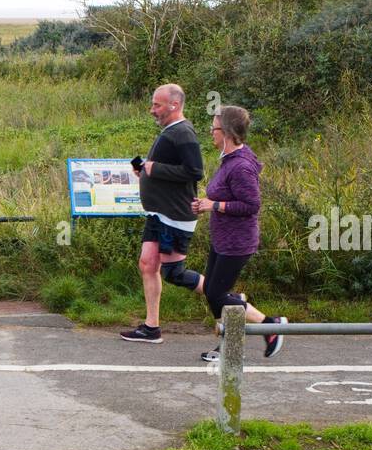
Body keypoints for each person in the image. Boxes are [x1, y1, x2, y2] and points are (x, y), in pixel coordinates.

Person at [191, 105, 286, 361]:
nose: (211, 132)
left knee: (216, 294)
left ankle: (270, 325)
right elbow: (225, 196)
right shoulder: (229, 159)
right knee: (213, 291)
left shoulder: (240, 166)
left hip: (237, 243)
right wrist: (205, 204)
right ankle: (234, 339)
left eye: (214, 128)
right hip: (222, 239)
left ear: (228, 132)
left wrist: (215, 206)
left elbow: (252, 205)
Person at [120, 84, 205, 344]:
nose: (152, 110)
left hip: (175, 215)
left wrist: (154, 169)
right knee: (147, 264)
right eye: (153, 104)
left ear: (174, 105)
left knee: (174, 274)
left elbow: (195, 171)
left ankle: (228, 299)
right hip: (158, 214)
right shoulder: (171, 131)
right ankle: (151, 327)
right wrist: (145, 171)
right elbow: (169, 169)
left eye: (157, 105)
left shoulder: (183, 132)